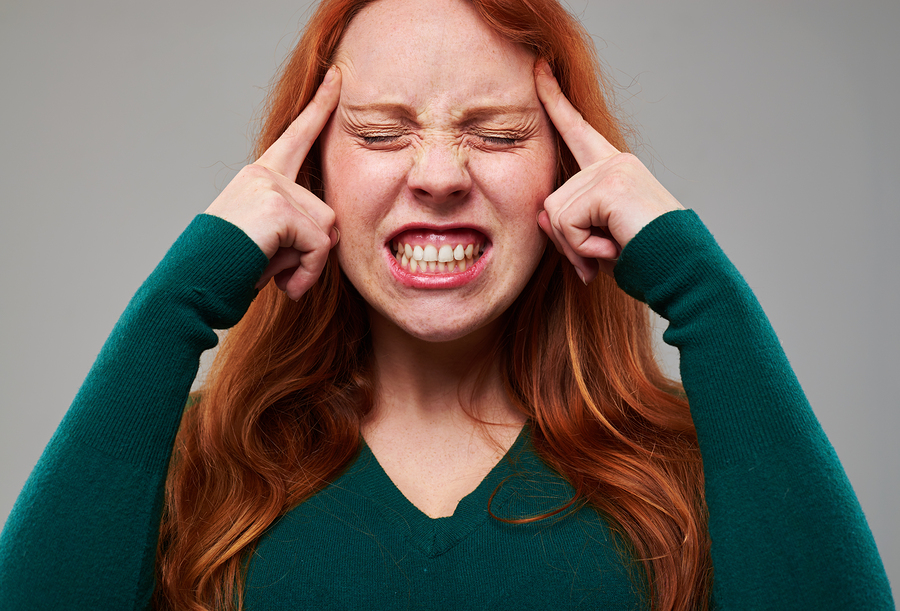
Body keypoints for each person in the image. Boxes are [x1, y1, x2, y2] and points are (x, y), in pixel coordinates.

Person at [0, 0, 893, 609]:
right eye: (381, 133)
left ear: (571, 172)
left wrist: (704, 291)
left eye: (496, 133)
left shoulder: (685, 475)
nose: (436, 176)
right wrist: (175, 302)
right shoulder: (199, 460)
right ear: (310, 172)